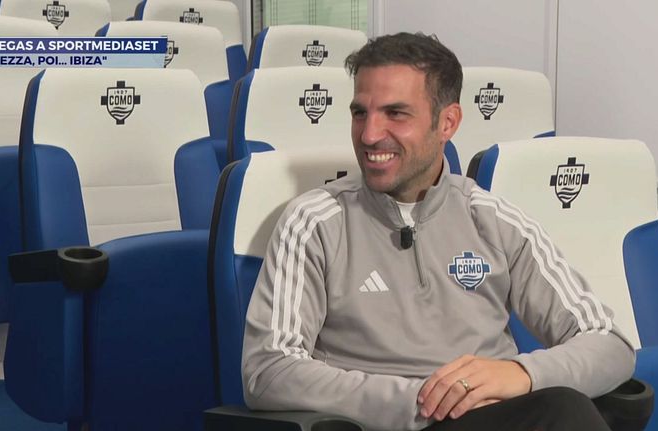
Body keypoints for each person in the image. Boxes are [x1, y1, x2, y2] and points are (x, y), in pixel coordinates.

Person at [241, 32, 635, 431]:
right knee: (564, 413)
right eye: (360, 113)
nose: (369, 134)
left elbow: (609, 342)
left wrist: (521, 374)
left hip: (493, 417)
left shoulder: (493, 218)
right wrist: (426, 400)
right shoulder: (313, 222)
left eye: (395, 114)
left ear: (448, 122)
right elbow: (268, 369)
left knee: (569, 409)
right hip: (385, 424)